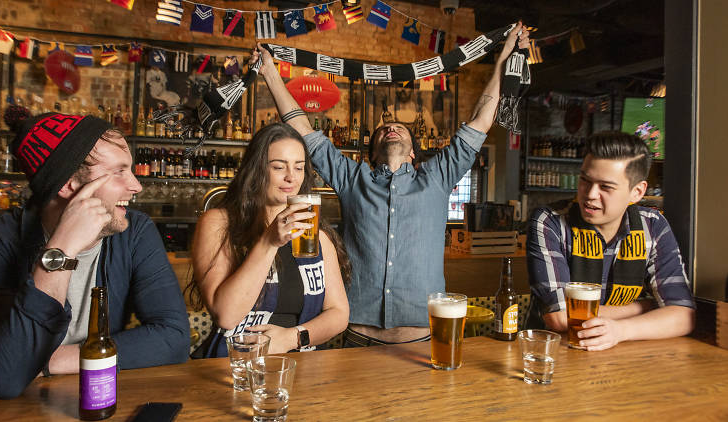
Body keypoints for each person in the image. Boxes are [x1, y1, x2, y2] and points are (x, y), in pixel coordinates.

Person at [255, 23, 530, 346]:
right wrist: (270, 73)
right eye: (384, 130)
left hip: (422, 340)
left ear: (414, 152)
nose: (391, 128)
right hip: (356, 335)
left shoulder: (439, 175)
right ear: (372, 153)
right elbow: (303, 129)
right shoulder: (352, 177)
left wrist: (504, 57)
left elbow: (482, 117)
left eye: (400, 128)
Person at [0, 112, 190, 416]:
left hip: (97, 400)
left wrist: (49, 360)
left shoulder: (135, 232)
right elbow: (4, 378)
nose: (136, 186)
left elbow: (175, 339)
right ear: (68, 184)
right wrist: (62, 249)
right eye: (119, 172)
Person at [189, 123, 350, 355]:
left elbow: (338, 313)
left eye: (299, 167)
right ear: (256, 170)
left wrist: (292, 338)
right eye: (278, 167)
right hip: (236, 362)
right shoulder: (219, 223)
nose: (290, 177)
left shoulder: (315, 235)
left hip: (303, 364)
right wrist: (269, 242)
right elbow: (226, 315)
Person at [526, 131, 695, 351]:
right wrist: (647, 307)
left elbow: (683, 315)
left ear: (637, 192)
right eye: (585, 180)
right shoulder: (550, 221)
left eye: (606, 187)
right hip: (554, 354)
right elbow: (559, 318)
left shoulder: (652, 226)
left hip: (626, 355)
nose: (590, 194)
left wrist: (620, 330)